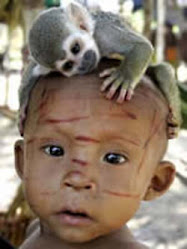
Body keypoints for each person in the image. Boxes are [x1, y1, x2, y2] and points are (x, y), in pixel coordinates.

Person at [14, 60, 176, 249]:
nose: (77, 179)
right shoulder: (35, 230)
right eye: (55, 151)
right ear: (23, 162)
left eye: (114, 158)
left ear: (155, 181)